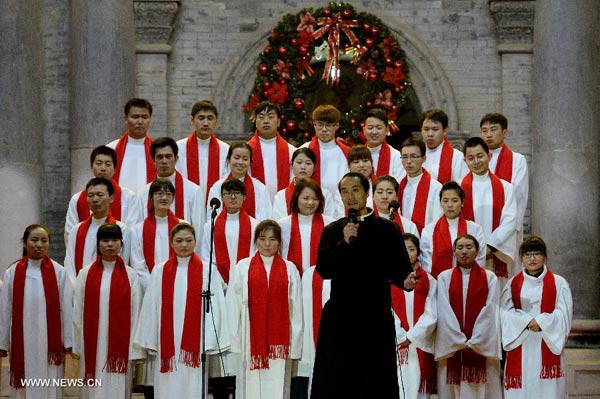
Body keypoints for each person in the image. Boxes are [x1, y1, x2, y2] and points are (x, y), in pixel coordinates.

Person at [310, 172, 416, 399]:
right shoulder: (333, 230)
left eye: (355, 190)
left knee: (375, 380)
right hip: (340, 317)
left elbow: (399, 269)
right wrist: (343, 243)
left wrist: (405, 281)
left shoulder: (387, 228)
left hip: (374, 316)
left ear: (367, 193)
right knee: (337, 380)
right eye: (344, 191)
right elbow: (324, 269)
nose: (350, 196)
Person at [134, 223, 229, 398]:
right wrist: (151, 337)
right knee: (167, 384)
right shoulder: (160, 270)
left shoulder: (208, 270)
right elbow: (151, 306)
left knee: (192, 384)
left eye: (188, 240)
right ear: (171, 243)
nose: (184, 245)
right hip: (167, 341)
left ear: (195, 242)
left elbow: (215, 307)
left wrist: (209, 340)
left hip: (195, 342)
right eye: (179, 241)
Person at [226, 220, 303, 399]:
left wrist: (296, 342)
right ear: (256, 241)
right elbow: (233, 304)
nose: (267, 244)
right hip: (249, 338)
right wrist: (234, 339)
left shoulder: (290, 269)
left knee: (278, 383)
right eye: (262, 239)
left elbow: (296, 309)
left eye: (272, 239)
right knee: (249, 386)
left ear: (279, 242)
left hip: (280, 341)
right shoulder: (243, 267)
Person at [0, 225, 73, 399]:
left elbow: (67, 307)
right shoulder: (13, 272)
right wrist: (2, 342)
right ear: (24, 243)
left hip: (50, 342)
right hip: (23, 339)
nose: (39, 244)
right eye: (34, 240)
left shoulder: (59, 272)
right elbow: (5, 308)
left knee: (49, 378)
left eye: (44, 240)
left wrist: (69, 340)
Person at [72, 224, 143, 399]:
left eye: (114, 240)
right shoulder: (85, 274)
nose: (110, 244)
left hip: (120, 346)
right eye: (105, 240)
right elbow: (77, 312)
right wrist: (77, 344)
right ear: (98, 244)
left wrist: (134, 348)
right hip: (92, 344)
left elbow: (136, 313)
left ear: (121, 244)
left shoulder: (131, 275)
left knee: (118, 386)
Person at [501, 236, 572, 399]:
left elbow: (564, 313)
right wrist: (526, 322)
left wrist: (541, 322)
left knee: (548, 391)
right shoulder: (512, 283)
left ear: (545, 256)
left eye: (537, 254)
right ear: (521, 259)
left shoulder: (558, 283)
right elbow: (504, 312)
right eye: (527, 254)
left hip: (547, 341)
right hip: (521, 343)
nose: (532, 258)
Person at [435, 234, 502, 399]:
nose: (464, 251)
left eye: (469, 247)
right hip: (453, 349)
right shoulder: (444, 277)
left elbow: (490, 311)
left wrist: (475, 341)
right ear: (454, 251)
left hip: (482, 348)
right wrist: (458, 340)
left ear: (478, 251)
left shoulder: (490, 277)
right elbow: (444, 311)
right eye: (460, 247)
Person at [461, 137, 518, 284]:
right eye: (471, 158)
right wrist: (471, 250)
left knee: (496, 298)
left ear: (489, 156)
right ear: (465, 160)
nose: (476, 161)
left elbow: (510, 221)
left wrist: (489, 247)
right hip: (467, 254)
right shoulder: (458, 189)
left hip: (494, 253)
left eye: (480, 156)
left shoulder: (505, 188)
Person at [64, 145, 140, 245]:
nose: (103, 168)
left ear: (115, 169)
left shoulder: (129, 197)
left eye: (108, 164)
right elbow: (70, 233)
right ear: (91, 167)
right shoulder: (77, 199)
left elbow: (131, 232)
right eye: (98, 164)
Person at [391, 234, 437, 399]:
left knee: (419, 392)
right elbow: (385, 310)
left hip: (420, 344)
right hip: (396, 344)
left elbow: (432, 314)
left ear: (418, 252)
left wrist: (410, 337)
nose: (407, 253)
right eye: (403, 249)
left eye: (411, 249)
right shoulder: (388, 280)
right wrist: (400, 335)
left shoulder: (428, 280)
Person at [64, 178, 130, 285]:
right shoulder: (76, 230)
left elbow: (123, 261)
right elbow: (69, 264)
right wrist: (76, 288)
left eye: (100, 195)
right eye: (90, 195)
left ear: (111, 198)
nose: (95, 199)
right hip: (81, 289)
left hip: (111, 286)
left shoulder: (122, 229)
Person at [420, 182, 487, 278]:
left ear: (462, 202)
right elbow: (426, 262)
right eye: (445, 201)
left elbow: (480, 258)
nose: (450, 205)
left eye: (455, 201)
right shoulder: (429, 230)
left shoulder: (475, 229)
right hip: (437, 283)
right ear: (440, 203)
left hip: (469, 280)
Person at [200, 178, 258, 287]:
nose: (232, 197)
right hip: (219, 284)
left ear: (244, 196)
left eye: (237, 193)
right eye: (228, 193)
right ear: (222, 197)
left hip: (247, 283)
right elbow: (207, 257)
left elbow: (256, 256)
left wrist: (245, 279)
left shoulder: (254, 225)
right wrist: (220, 283)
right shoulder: (210, 226)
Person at [480, 113, 529, 243]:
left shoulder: (517, 160)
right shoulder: (475, 161)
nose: (488, 135)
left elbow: (519, 195)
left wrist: (509, 229)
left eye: (493, 129)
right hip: (480, 225)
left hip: (507, 228)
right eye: (484, 131)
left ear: (504, 132)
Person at [129, 178, 180, 291]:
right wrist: (153, 285)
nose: (164, 198)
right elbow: (138, 264)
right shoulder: (137, 230)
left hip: (177, 284)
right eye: (159, 194)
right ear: (151, 198)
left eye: (168, 194)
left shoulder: (182, 227)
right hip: (148, 288)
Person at [279, 178, 335, 275]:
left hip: (322, 280)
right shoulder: (282, 225)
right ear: (296, 198)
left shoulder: (330, 224)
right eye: (306, 198)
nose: (310, 203)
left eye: (315, 199)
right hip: (292, 278)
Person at [137, 137, 199, 224]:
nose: (164, 161)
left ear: (176, 158)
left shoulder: (193, 191)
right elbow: (140, 226)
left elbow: (198, 228)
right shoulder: (143, 193)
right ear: (153, 161)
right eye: (160, 157)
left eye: (168, 156)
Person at [205, 142, 272, 221]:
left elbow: (265, 219)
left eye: (245, 159)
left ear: (250, 162)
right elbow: (212, 218)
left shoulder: (260, 188)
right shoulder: (218, 187)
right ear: (228, 160)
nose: (240, 162)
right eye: (236, 158)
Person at [272, 147, 344, 220]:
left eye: (308, 163)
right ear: (291, 165)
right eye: (299, 162)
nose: (303, 167)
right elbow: (279, 223)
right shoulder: (281, 196)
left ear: (314, 167)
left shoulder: (324, 194)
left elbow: (330, 222)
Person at [176, 100, 230, 194]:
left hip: (216, 204)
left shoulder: (225, 150)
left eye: (210, 118)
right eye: (201, 118)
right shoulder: (179, 148)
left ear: (216, 120)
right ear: (192, 120)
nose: (206, 123)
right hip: (187, 204)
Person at [247, 101, 296, 200]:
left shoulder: (291, 151)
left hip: (283, 205)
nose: (266, 121)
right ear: (256, 122)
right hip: (255, 203)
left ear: (278, 122)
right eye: (261, 117)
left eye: (270, 117)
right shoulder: (246, 151)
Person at [107, 98, 156, 192]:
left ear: (150, 119)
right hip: (119, 203)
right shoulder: (111, 149)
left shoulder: (157, 151)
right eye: (135, 117)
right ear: (126, 119)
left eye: (145, 117)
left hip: (147, 203)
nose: (140, 122)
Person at [301, 104, 350, 195]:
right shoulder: (304, 150)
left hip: (341, 204)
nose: (324, 129)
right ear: (314, 125)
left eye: (329, 125)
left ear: (337, 126)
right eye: (320, 125)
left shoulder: (346, 153)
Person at [398, 136, 443, 234]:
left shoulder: (436, 188)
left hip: (426, 241)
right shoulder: (399, 186)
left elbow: (437, 221)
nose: (408, 161)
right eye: (405, 157)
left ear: (424, 158)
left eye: (414, 156)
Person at [420, 109, 468, 184]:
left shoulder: (457, 157)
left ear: (445, 130)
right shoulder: (416, 155)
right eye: (426, 129)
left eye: (435, 129)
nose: (430, 134)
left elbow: (462, 186)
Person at [363, 108, 405, 182]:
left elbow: (399, 184)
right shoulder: (356, 155)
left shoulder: (395, 156)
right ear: (364, 130)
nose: (374, 132)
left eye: (379, 128)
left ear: (387, 130)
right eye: (370, 128)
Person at [346, 144, 375, 210]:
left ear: (372, 163)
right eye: (356, 162)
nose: (361, 165)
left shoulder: (380, 185)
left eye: (365, 161)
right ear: (349, 166)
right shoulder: (343, 188)